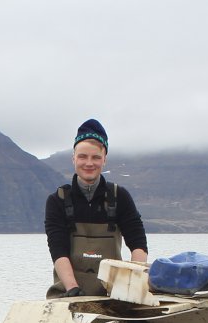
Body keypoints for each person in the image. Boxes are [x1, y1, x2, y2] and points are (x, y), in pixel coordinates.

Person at [44, 118, 148, 297]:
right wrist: (72, 288)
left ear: (104, 159)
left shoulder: (120, 197)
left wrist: (132, 284)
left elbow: (138, 244)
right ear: (73, 158)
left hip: (112, 295)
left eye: (96, 157)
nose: (89, 163)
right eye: (82, 156)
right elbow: (58, 250)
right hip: (68, 293)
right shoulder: (57, 200)